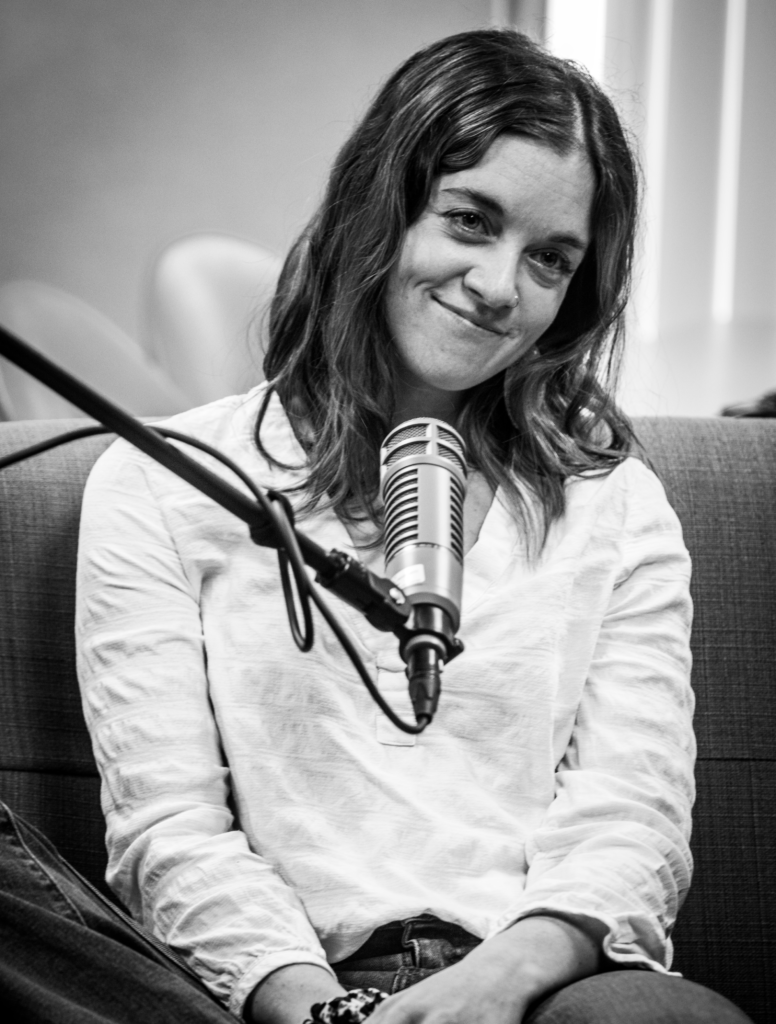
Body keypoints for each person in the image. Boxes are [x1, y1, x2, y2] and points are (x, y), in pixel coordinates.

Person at [0, 27, 754, 1024]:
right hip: (252, 995)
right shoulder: (163, 482)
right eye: (468, 220)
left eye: (549, 259)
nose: (498, 285)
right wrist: (316, 1007)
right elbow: (171, 828)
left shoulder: (611, 507)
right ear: (378, 208)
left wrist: (489, 989)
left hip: (532, 990)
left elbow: (629, 822)